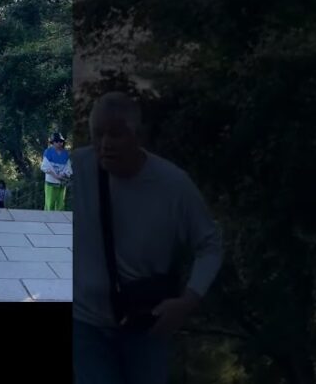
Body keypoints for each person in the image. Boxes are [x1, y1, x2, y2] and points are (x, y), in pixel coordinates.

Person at [73, 92, 223, 384]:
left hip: (145, 324)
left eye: (116, 134)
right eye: (97, 134)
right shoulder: (77, 169)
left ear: (138, 135)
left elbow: (210, 244)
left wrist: (188, 300)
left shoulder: (172, 185)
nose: (105, 144)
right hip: (85, 322)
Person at [42, 132, 72, 211]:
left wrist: (64, 174)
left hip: (61, 182)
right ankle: (48, 220)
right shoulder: (48, 152)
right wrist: (55, 176)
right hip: (50, 182)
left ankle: (60, 221)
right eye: (57, 141)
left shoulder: (66, 153)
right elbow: (45, 167)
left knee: (60, 203)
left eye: (61, 141)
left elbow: (68, 167)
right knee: (50, 203)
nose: (59, 143)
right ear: (53, 142)